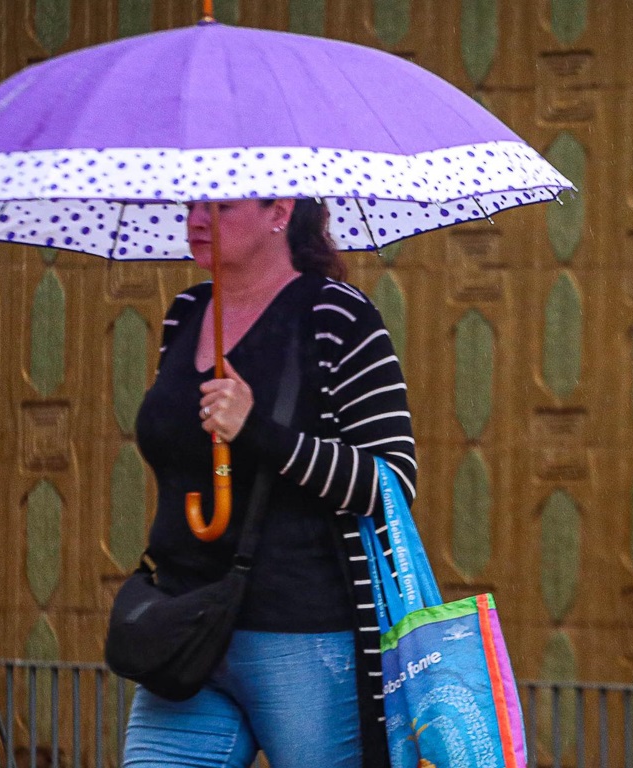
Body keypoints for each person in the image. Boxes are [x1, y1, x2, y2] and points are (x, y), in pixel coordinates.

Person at [122, 197, 414, 768]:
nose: (197, 219)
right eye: (192, 204)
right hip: (186, 629)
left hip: (301, 638)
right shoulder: (187, 311)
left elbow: (391, 485)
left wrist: (258, 430)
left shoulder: (336, 316)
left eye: (222, 206)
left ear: (279, 211)